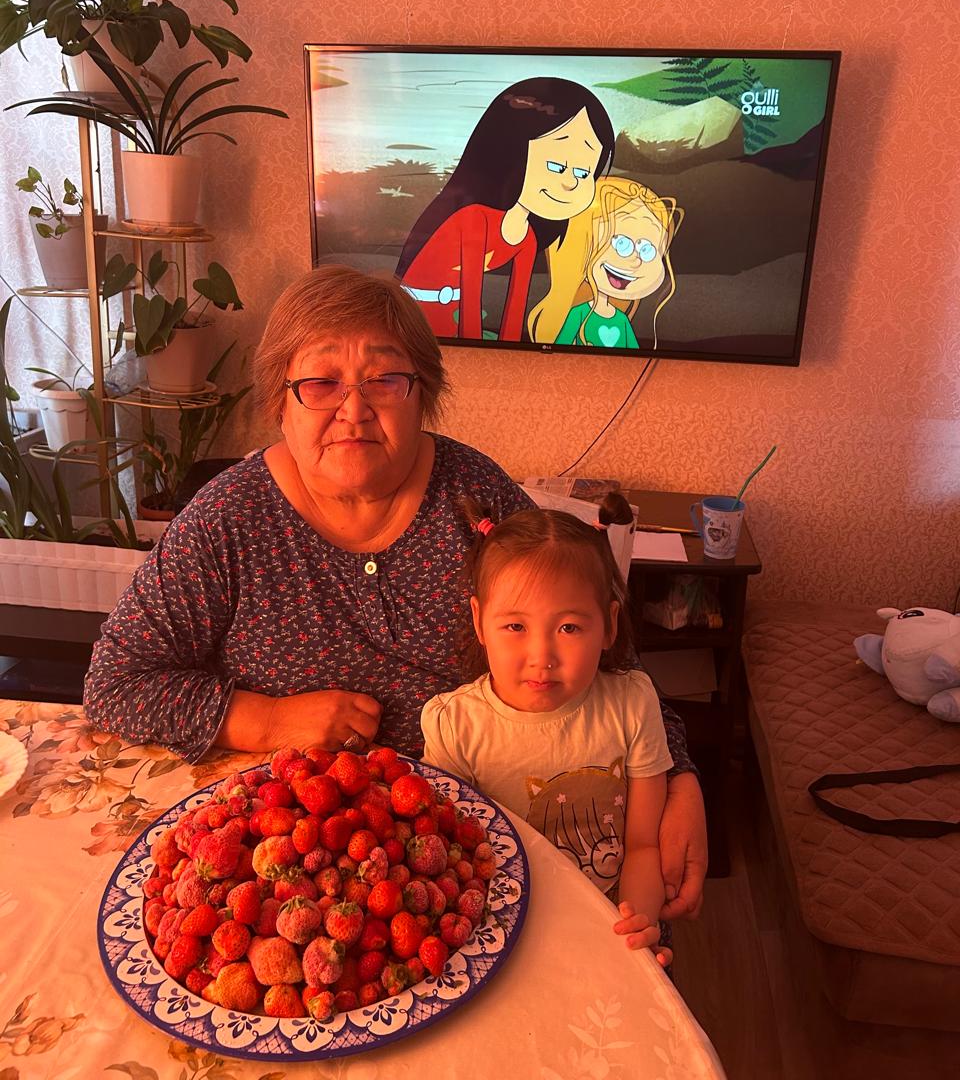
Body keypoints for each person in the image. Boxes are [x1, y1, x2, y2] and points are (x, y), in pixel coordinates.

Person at [83, 264, 706, 922]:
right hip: (300, 860)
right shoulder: (228, 519)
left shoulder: (475, 496)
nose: (354, 410)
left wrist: (681, 777)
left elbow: (605, 653)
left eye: (383, 379)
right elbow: (116, 683)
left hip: (482, 842)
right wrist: (267, 720)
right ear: (279, 402)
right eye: (320, 382)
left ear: (422, 395)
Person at [421, 496, 674, 964]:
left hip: (605, 926)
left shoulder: (633, 704)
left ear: (609, 625)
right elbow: (454, 864)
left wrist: (636, 925)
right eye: (515, 626)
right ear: (479, 621)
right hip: (502, 938)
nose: (542, 656)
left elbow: (643, 845)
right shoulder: (454, 726)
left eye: (570, 628)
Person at [395, 77, 615, 342]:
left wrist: (512, 352)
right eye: (556, 167)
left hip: (455, 324)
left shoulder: (527, 237)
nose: (570, 182)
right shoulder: (473, 220)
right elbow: (471, 302)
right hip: (414, 324)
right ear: (510, 154)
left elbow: (515, 308)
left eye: (582, 173)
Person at [527, 175, 684, 350]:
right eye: (621, 243)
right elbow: (561, 347)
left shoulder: (621, 320)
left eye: (647, 250)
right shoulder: (578, 314)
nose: (635, 260)